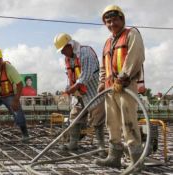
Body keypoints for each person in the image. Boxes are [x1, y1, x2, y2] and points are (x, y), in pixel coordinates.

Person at [94, 5, 145, 169]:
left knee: (129, 123)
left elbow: (135, 57)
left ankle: (136, 162)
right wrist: (102, 82)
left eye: (114, 20)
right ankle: (114, 157)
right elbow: (104, 66)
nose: (111, 24)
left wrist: (123, 77)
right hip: (110, 90)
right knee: (112, 124)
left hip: (126, 87)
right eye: (108, 21)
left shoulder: (131, 34)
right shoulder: (108, 42)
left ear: (122, 19)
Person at [54, 33, 106, 153]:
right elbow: (70, 77)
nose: (62, 53)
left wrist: (71, 89)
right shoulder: (68, 58)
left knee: (98, 121)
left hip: (93, 92)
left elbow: (85, 76)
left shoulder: (85, 53)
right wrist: (69, 89)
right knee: (74, 117)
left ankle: (102, 147)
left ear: (70, 45)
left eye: (63, 50)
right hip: (79, 95)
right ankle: (73, 144)